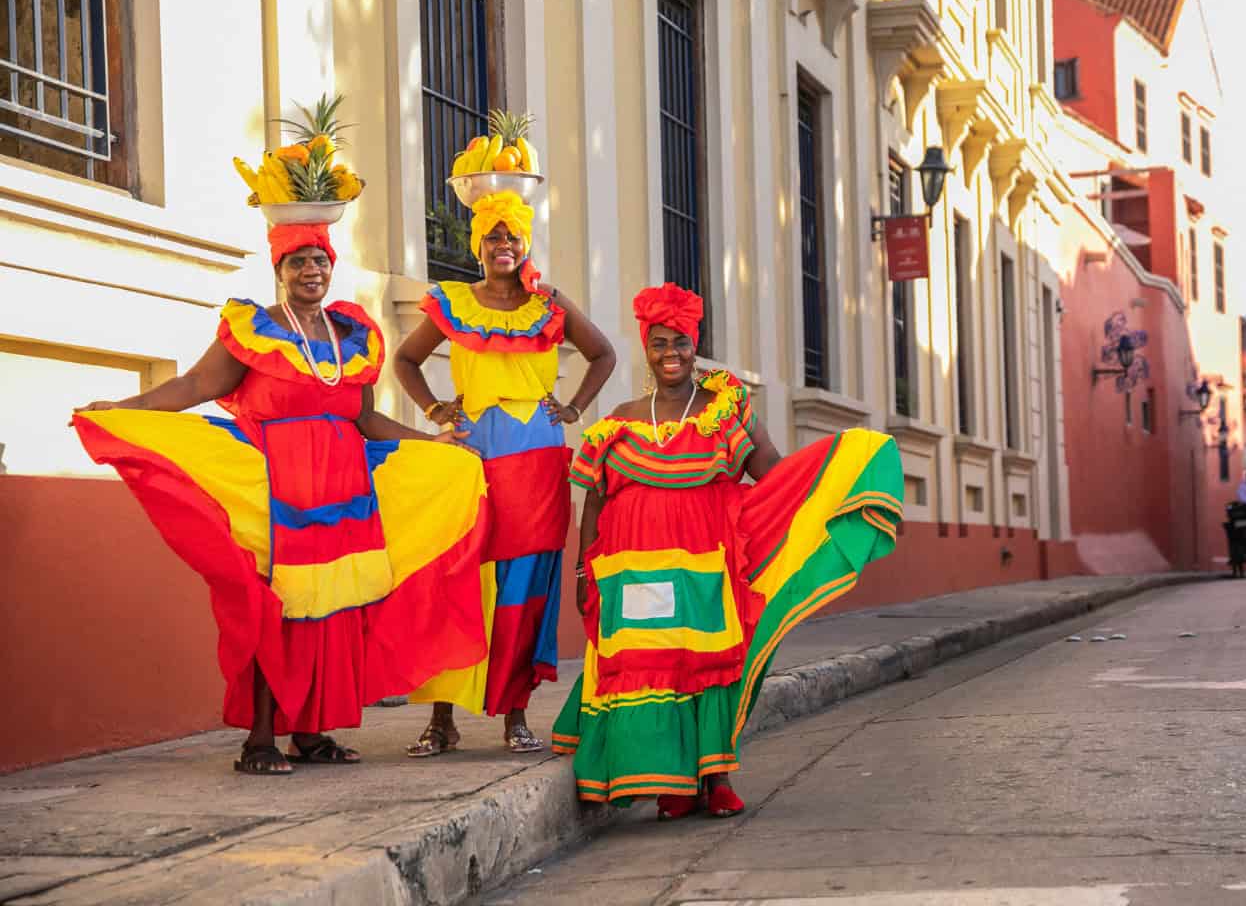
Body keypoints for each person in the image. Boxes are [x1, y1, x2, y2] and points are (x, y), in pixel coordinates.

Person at [72, 220, 493, 775]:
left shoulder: (352, 336)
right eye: (297, 261)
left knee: (331, 608)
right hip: (279, 488)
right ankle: (260, 740)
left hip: (344, 489)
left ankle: (312, 735)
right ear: (279, 271)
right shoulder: (255, 329)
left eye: (319, 259)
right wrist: (128, 408)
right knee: (282, 607)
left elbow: (365, 417)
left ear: (331, 265)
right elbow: (195, 386)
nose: (310, 270)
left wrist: (432, 442)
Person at [552, 283, 903, 819]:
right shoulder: (619, 420)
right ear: (646, 348)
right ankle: (671, 783)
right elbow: (594, 502)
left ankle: (714, 778)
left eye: (681, 343)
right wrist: (582, 570)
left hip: (708, 567)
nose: (670, 354)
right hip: (632, 571)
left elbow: (776, 478)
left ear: (696, 346)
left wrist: (836, 474)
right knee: (650, 664)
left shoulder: (727, 412)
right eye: (659, 343)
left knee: (708, 665)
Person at [395, 188, 615, 755]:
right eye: (493, 234)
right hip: (472, 454)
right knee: (457, 576)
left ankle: (515, 713)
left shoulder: (551, 305)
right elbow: (405, 360)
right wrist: (435, 409)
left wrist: (572, 409)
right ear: (477, 242)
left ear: (525, 243)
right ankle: (441, 718)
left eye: (512, 235)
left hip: (538, 458)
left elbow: (604, 353)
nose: (503, 245)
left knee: (525, 585)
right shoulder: (452, 302)